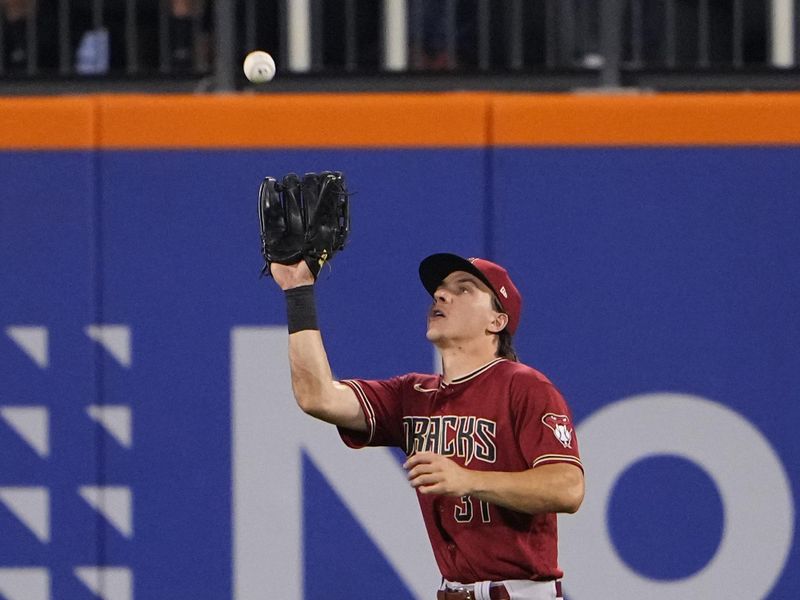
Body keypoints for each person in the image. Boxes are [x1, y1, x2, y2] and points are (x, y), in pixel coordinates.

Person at [271, 252, 584, 600]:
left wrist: (468, 479)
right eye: (439, 290)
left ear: (497, 321)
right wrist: (297, 291)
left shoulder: (525, 387)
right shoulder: (413, 394)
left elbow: (568, 488)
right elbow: (318, 397)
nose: (441, 295)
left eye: (464, 289)